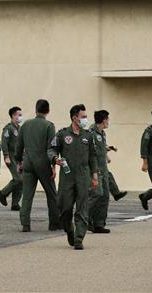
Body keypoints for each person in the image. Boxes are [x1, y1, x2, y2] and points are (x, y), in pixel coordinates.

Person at [49, 104, 99, 250]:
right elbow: (52, 149)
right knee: (64, 208)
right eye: (83, 117)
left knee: (82, 208)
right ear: (74, 118)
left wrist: (94, 176)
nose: (85, 120)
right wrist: (55, 160)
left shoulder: (88, 136)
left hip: (83, 176)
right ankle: (69, 230)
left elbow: (93, 157)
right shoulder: (63, 134)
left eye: (85, 117)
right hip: (67, 176)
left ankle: (79, 239)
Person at [14, 99, 62, 232]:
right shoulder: (49, 126)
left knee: (27, 194)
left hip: (28, 163)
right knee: (51, 194)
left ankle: (25, 224)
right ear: (48, 111)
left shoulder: (25, 125)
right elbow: (51, 147)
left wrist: (19, 161)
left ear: (36, 110)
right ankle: (54, 222)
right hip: (44, 163)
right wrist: (53, 166)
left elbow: (19, 146)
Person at [87, 109, 112, 233]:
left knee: (105, 196)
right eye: (108, 119)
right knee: (96, 194)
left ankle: (99, 224)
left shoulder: (102, 133)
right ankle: (84, 218)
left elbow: (101, 149)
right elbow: (90, 153)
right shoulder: (91, 133)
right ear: (104, 120)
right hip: (96, 170)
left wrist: (107, 155)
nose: (108, 122)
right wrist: (93, 172)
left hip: (104, 169)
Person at [0, 106, 23, 211]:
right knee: (18, 179)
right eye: (19, 115)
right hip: (12, 156)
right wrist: (6, 156)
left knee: (22, 181)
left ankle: (15, 204)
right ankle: (2, 193)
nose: (21, 117)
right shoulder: (8, 128)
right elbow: (4, 143)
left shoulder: (20, 129)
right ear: (13, 116)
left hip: (20, 158)